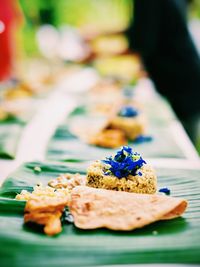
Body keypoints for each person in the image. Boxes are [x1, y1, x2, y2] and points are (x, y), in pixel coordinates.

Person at [127, 0, 200, 143]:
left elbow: (143, 42)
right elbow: (141, 30)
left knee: (182, 140)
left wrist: (97, 53)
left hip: (180, 81)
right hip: (185, 76)